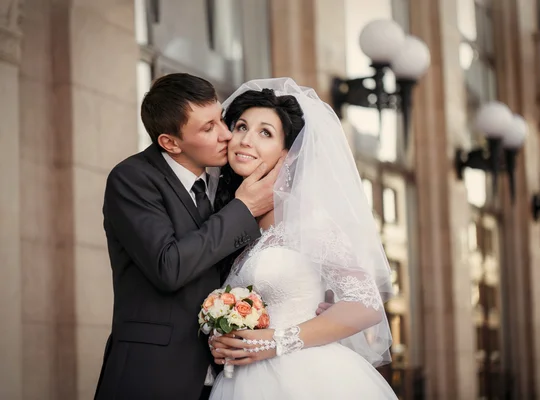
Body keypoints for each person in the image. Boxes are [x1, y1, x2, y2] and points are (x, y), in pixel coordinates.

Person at [94, 73, 282, 400]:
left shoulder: (217, 184)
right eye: (208, 128)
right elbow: (169, 266)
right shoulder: (132, 179)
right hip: (151, 375)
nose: (226, 134)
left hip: (221, 376)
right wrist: (244, 207)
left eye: (222, 119)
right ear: (170, 142)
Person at [208, 78, 397, 399]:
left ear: (290, 153)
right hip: (241, 381)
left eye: (265, 132)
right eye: (240, 127)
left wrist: (275, 341)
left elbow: (366, 306)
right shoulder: (234, 222)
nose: (245, 140)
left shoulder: (308, 221)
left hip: (303, 377)